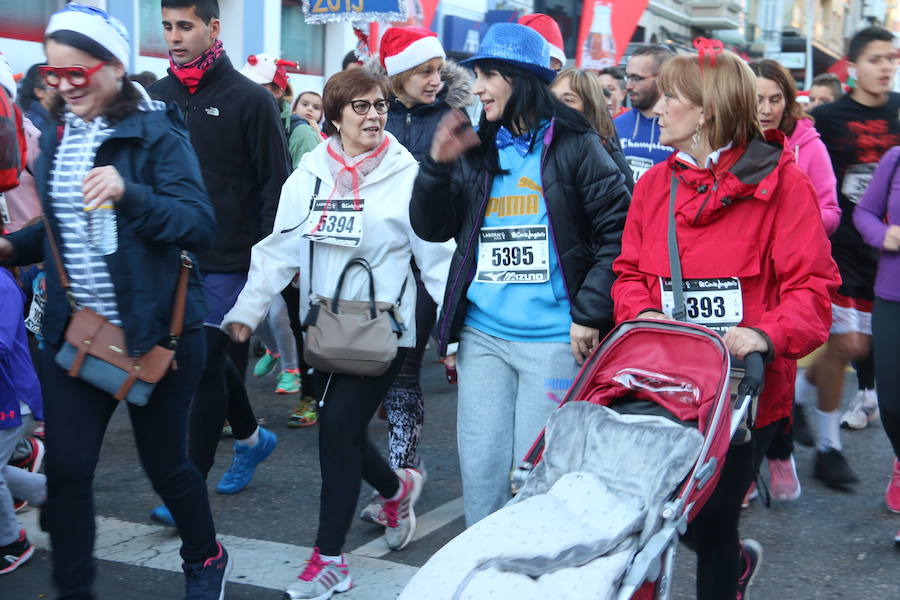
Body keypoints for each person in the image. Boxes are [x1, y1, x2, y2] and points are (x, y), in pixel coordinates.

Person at [0, 4, 232, 597]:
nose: (65, 84)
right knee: (71, 470)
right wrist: (9, 248)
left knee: (168, 469)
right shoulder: (55, 134)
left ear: (113, 68)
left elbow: (198, 224)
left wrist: (130, 194)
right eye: (54, 72)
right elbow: (56, 225)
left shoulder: (156, 129)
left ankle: (205, 557)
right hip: (75, 330)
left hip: (155, 334)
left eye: (78, 71)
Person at [612, 45, 838, 600]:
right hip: (667, 383)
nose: (657, 108)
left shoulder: (786, 186)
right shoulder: (653, 185)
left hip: (746, 395)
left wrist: (766, 334)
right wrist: (641, 314)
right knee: (666, 517)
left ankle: (727, 574)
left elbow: (813, 288)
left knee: (709, 525)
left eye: (671, 96)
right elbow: (629, 273)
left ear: (707, 110)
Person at [222, 66, 452, 599]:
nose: (374, 115)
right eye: (361, 107)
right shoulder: (309, 174)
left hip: (385, 329)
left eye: (380, 106)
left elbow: (436, 258)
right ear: (335, 116)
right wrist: (246, 310)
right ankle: (396, 490)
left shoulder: (406, 173)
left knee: (336, 433)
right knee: (340, 427)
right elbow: (278, 250)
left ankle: (329, 560)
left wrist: (456, 333)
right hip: (325, 327)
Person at [410, 23, 630, 527]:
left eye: (489, 75)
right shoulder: (473, 144)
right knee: (482, 470)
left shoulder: (576, 143)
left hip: (555, 341)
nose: (478, 87)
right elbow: (430, 225)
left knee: (538, 478)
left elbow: (619, 233)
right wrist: (437, 167)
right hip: (483, 335)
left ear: (521, 79)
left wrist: (590, 312)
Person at [148, 0, 291, 517]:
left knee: (204, 365)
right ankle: (252, 440)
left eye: (184, 26)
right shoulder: (155, 97)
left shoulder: (251, 99)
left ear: (212, 28)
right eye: (166, 26)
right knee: (205, 363)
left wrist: (267, 265)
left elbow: (276, 185)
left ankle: (187, 486)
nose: (174, 36)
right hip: (171, 259)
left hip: (232, 259)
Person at [354, 26, 472, 526]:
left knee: (403, 370)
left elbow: (467, 193)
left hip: (426, 265)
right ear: (398, 73)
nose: (435, 79)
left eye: (438, 69)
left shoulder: (455, 118)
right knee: (360, 374)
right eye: (424, 70)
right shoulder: (368, 112)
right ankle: (392, 473)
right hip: (365, 265)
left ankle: (404, 473)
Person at [804, 26, 900, 488]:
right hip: (841, 248)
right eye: (876, 59)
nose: (885, 67)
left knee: (864, 348)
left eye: (891, 59)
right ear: (853, 65)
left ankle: (794, 396)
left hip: (891, 254)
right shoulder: (829, 118)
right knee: (849, 346)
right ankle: (828, 447)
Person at [744, 58, 842, 504]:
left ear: (788, 103)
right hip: (742, 277)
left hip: (788, 280)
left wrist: (786, 217)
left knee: (775, 373)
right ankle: (740, 471)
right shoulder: (730, 144)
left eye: (775, 99)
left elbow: (832, 213)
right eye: (757, 98)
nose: (766, 108)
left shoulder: (808, 146)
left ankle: (779, 452)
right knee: (738, 375)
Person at [854, 145, 900, 545]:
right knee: (892, 404)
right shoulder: (895, 159)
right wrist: (883, 234)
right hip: (893, 296)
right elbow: (863, 213)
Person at [550, 67, 634, 192]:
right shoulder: (538, 145)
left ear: (589, 108)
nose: (555, 106)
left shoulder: (597, 155)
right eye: (551, 98)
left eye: (568, 100)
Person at [240, 53, 320, 169]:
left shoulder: (300, 133)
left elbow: (308, 183)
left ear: (278, 91)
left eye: (257, 86)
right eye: (244, 84)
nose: (247, 91)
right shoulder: (237, 122)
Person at [615, 44, 675, 182]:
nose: (629, 86)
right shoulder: (615, 125)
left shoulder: (683, 132)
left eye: (636, 78)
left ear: (662, 78)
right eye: (627, 77)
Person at [16, 62, 56, 132]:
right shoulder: (37, 123)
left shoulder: (43, 117)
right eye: (54, 87)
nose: (62, 89)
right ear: (39, 92)